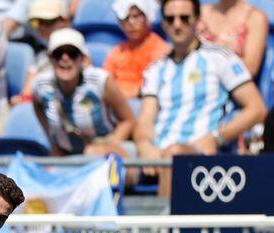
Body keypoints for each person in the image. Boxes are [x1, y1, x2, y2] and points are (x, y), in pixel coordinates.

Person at [134, 0, 266, 196]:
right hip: (158, 153)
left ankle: (162, 227)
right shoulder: (155, 68)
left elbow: (257, 109)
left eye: (184, 18)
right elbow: (145, 119)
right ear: (162, 23)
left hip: (194, 152)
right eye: (170, 19)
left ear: (197, 20)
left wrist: (216, 138)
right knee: (100, 156)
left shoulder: (220, 58)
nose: (177, 24)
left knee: (174, 155)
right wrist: (145, 146)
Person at [33, 28, 135, 156]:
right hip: (68, 156)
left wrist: (108, 146)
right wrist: (55, 146)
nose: (65, 58)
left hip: (105, 152)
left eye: (72, 53)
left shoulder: (100, 81)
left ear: (82, 58)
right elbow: (38, 107)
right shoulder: (41, 85)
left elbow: (128, 120)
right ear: (50, 58)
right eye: (58, 53)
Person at [103, 0, 170, 98]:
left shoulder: (161, 50)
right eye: (125, 18)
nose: (131, 22)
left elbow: (153, 88)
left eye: (136, 16)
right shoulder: (118, 50)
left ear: (147, 18)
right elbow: (105, 82)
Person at [197, 0, 268, 78]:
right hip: (195, 77)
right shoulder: (199, 12)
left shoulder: (255, 17)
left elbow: (250, 68)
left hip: (232, 84)